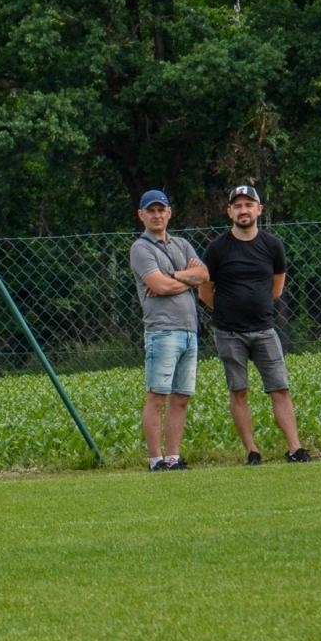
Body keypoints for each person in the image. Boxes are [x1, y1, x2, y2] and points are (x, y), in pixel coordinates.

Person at [199, 184, 310, 464]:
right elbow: (205, 291)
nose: (243, 210)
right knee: (238, 390)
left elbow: (277, 287)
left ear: (259, 209)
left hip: (264, 330)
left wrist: (255, 306)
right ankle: (252, 451)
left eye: (248, 205)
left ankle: (295, 449)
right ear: (229, 212)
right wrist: (228, 311)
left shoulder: (273, 246)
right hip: (228, 333)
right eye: (237, 206)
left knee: (280, 388)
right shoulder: (217, 248)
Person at [128, 189, 206, 471]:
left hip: (189, 331)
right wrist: (188, 279)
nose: (157, 215)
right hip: (162, 331)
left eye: (161, 210)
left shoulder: (182, 244)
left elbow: (203, 275)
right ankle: (156, 460)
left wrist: (173, 276)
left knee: (181, 397)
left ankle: (173, 458)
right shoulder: (140, 248)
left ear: (169, 213)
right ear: (141, 215)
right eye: (151, 211)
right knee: (158, 396)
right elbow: (157, 286)